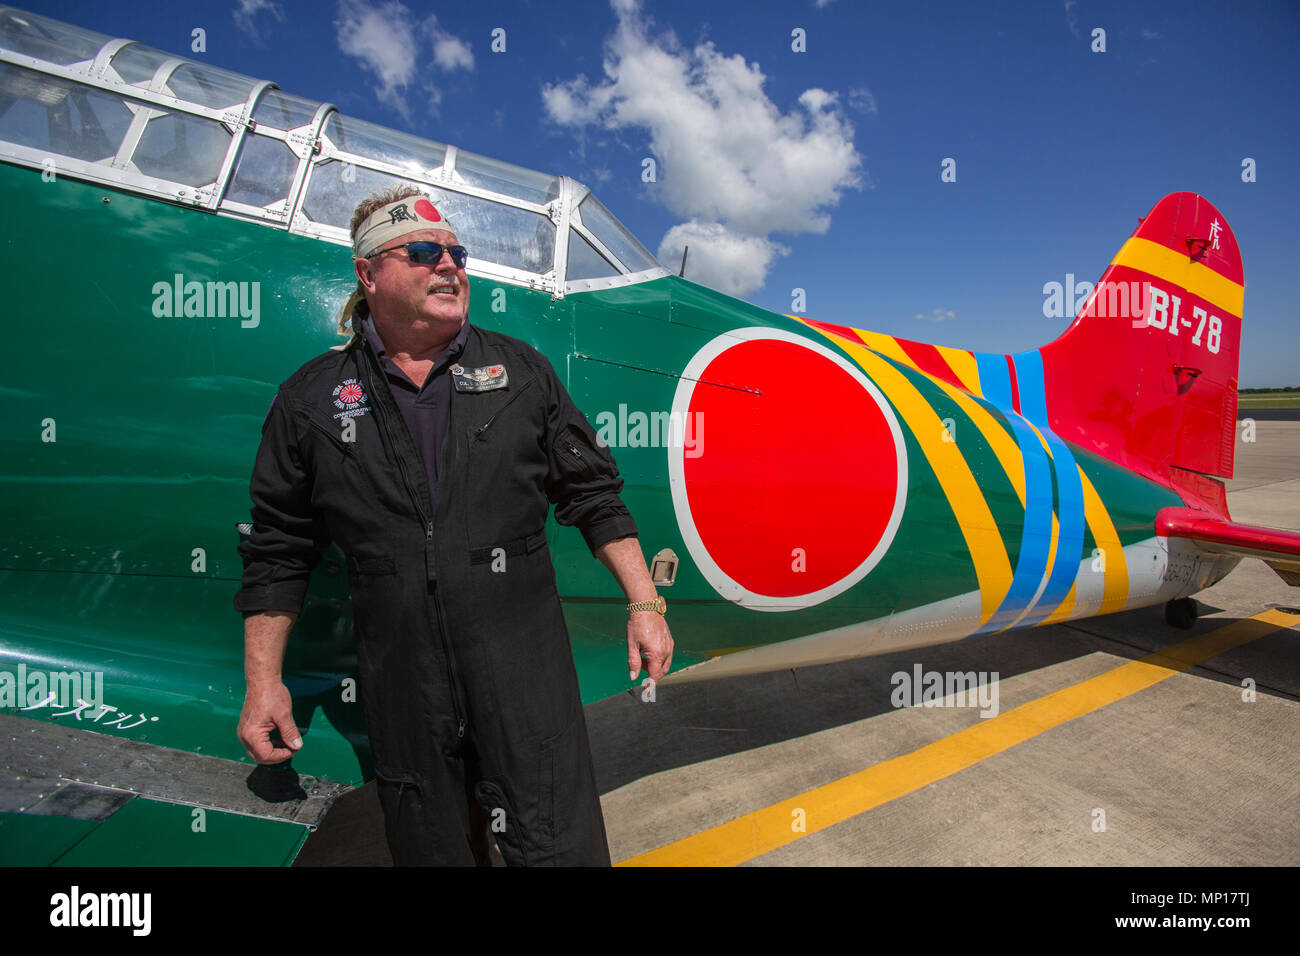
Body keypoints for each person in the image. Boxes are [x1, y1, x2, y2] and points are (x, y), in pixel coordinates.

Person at [233, 184, 673, 865]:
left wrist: (644, 603)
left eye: (456, 253)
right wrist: (264, 683)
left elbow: (594, 495)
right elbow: (278, 550)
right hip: (404, 686)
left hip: (524, 672)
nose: (449, 266)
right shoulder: (312, 399)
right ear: (368, 273)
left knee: (560, 848)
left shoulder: (521, 372)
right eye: (422, 251)